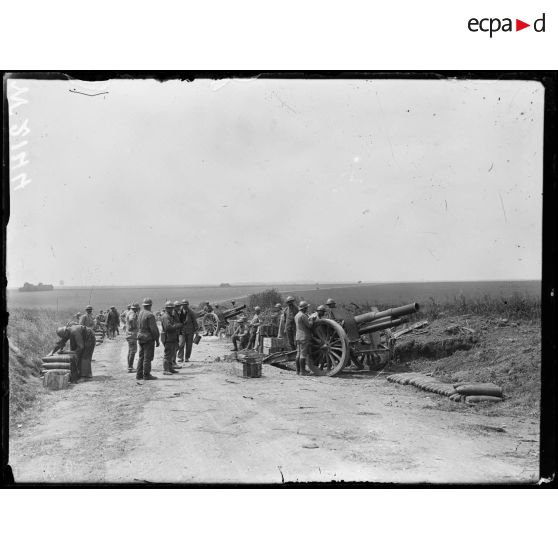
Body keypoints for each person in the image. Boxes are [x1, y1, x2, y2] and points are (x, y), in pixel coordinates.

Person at [136, 298, 160, 380]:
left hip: (140, 337)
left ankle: (139, 375)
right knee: (147, 357)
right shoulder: (150, 315)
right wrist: (157, 339)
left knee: (141, 357)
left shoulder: (140, 313)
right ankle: (146, 375)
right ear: (150, 305)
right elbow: (153, 329)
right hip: (148, 338)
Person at [160, 300, 181, 375]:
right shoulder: (165, 316)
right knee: (167, 354)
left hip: (172, 337)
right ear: (166, 308)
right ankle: (166, 370)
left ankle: (170, 368)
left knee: (171, 354)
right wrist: (177, 325)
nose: (172, 309)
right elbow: (168, 327)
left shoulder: (170, 315)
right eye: (170, 308)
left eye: (172, 308)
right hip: (168, 337)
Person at [294, 300, 313, 375]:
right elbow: (309, 325)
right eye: (306, 308)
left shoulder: (296, 315)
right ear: (304, 308)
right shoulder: (303, 315)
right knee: (303, 354)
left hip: (298, 337)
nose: (307, 309)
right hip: (304, 337)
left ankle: (298, 371)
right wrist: (311, 320)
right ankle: (303, 371)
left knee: (298, 354)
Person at [177, 299, 198, 364]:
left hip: (190, 331)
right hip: (182, 330)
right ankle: (180, 357)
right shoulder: (179, 312)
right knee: (181, 344)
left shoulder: (191, 312)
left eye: (185, 305)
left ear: (187, 305)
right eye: (183, 305)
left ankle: (187, 357)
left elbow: (194, 321)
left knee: (189, 345)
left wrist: (196, 330)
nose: (184, 306)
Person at [125, 302, 140, 372]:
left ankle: (129, 366)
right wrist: (133, 326)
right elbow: (131, 320)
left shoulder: (129, 312)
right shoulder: (132, 313)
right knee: (133, 351)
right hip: (132, 335)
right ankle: (130, 367)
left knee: (130, 351)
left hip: (129, 334)